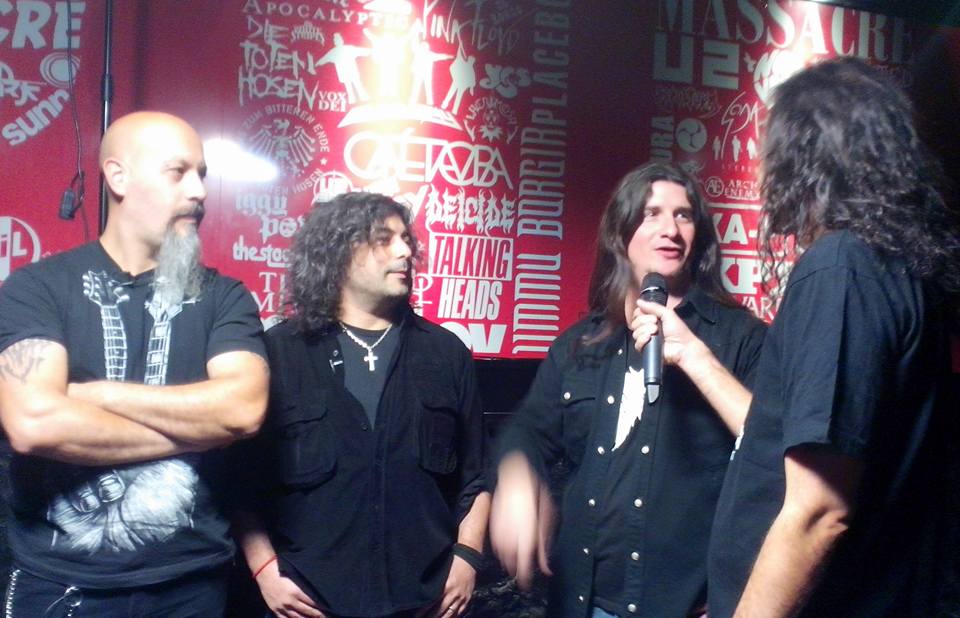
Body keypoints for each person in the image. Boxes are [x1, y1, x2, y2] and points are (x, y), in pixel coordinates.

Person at [707, 57, 960, 617]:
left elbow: (819, 510)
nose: (763, 174)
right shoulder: (898, 268)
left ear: (805, 156)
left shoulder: (842, 267)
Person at [0, 111, 269, 616]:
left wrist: (93, 395)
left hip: (192, 584)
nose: (199, 191)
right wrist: (201, 431)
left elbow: (241, 411)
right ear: (118, 177)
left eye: (202, 174)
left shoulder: (224, 296)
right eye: (178, 172)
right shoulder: (36, 288)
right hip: (62, 586)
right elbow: (35, 424)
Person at [489, 162, 767, 617]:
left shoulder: (742, 338)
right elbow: (527, 430)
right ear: (621, 233)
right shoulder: (581, 345)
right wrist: (517, 473)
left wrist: (695, 359)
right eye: (651, 213)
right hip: (580, 602)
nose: (670, 229)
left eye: (683, 215)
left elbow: (772, 449)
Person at [234, 192, 490, 618]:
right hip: (307, 602)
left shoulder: (446, 353)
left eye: (406, 239)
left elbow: (477, 475)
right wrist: (264, 569)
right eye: (384, 239)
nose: (405, 251)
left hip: (424, 602)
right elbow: (239, 481)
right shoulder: (278, 352)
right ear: (338, 253)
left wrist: (467, 558)